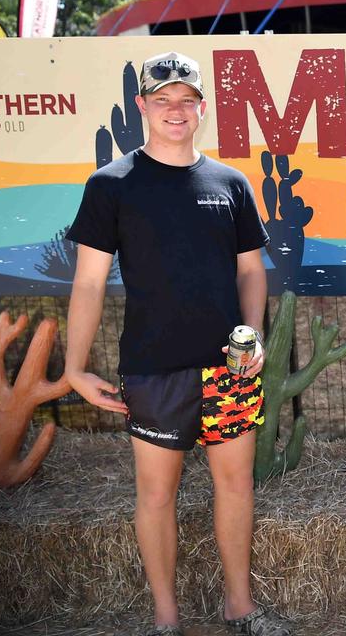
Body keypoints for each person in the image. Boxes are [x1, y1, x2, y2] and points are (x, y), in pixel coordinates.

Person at [64, 52, 290, 636]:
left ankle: (239, 607)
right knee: (157, 494)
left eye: (185, 100)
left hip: (229, 372)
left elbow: (250, 271)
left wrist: (253, 338)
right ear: (141, 105)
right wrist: (72, 368)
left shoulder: (230, 183)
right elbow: (88, 283)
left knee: (237, 484)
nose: (174, 110)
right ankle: (167, 620)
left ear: (201, 109)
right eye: (162, 99)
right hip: (153, 368)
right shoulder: (110, 185)